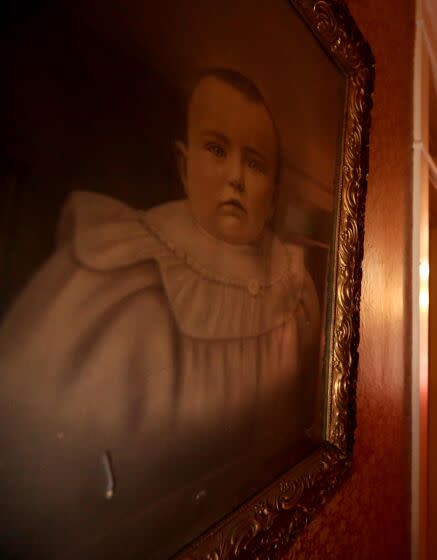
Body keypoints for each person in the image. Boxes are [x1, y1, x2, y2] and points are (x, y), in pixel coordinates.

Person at [0, 68, 319, 558]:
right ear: (183, 162)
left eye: (254, 164)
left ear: (273, 192)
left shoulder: (295, 289)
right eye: (216, 150)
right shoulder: (115, 272)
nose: (235, 175)